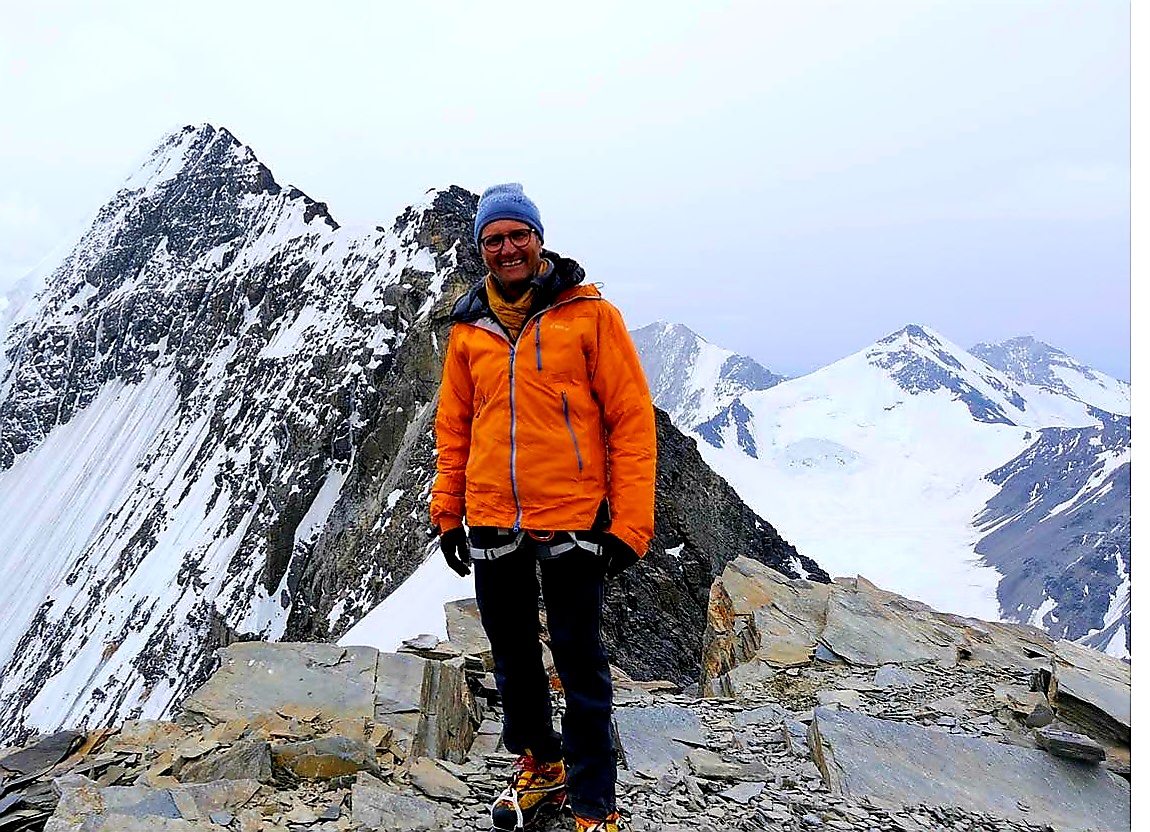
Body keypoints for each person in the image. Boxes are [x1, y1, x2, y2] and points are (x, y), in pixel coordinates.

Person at [430, 183, 656, 832]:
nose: (507, 249)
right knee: (513, 659)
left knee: (579, 662)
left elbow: (630, 421)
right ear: (481, 249)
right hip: (492, 515)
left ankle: (594, 803)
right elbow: (455, 427)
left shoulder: (590, 316)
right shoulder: (469, 330)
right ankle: (541, 763)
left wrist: (630, 524)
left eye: (517, 235)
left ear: (539, 239)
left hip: (573, 515)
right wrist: (448, 512)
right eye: (493, 239)